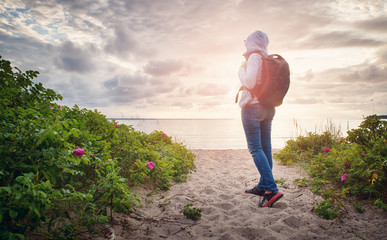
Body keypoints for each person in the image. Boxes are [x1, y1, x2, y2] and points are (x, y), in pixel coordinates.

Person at [238, 30, 283, 208]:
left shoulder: (254, 57)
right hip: (268, 108)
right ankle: (264, 185)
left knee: (255, 148)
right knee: (266, 148)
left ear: (251, 42)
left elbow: (249, 82)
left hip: (253, 107)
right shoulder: (267, 58)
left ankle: (271, 189)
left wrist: (240, 71)